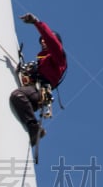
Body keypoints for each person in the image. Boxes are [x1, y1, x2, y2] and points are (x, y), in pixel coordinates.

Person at [10, 13, 67, 146]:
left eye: (45, 39)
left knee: (17, 95)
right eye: (41, 40)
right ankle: (34, 127)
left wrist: (37, 23)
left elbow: (53, 43)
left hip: (38, 92)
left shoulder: (58, 58)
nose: (42, 41)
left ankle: (34, 127)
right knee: (20, 94)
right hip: (34, 91)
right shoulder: (41, 62)